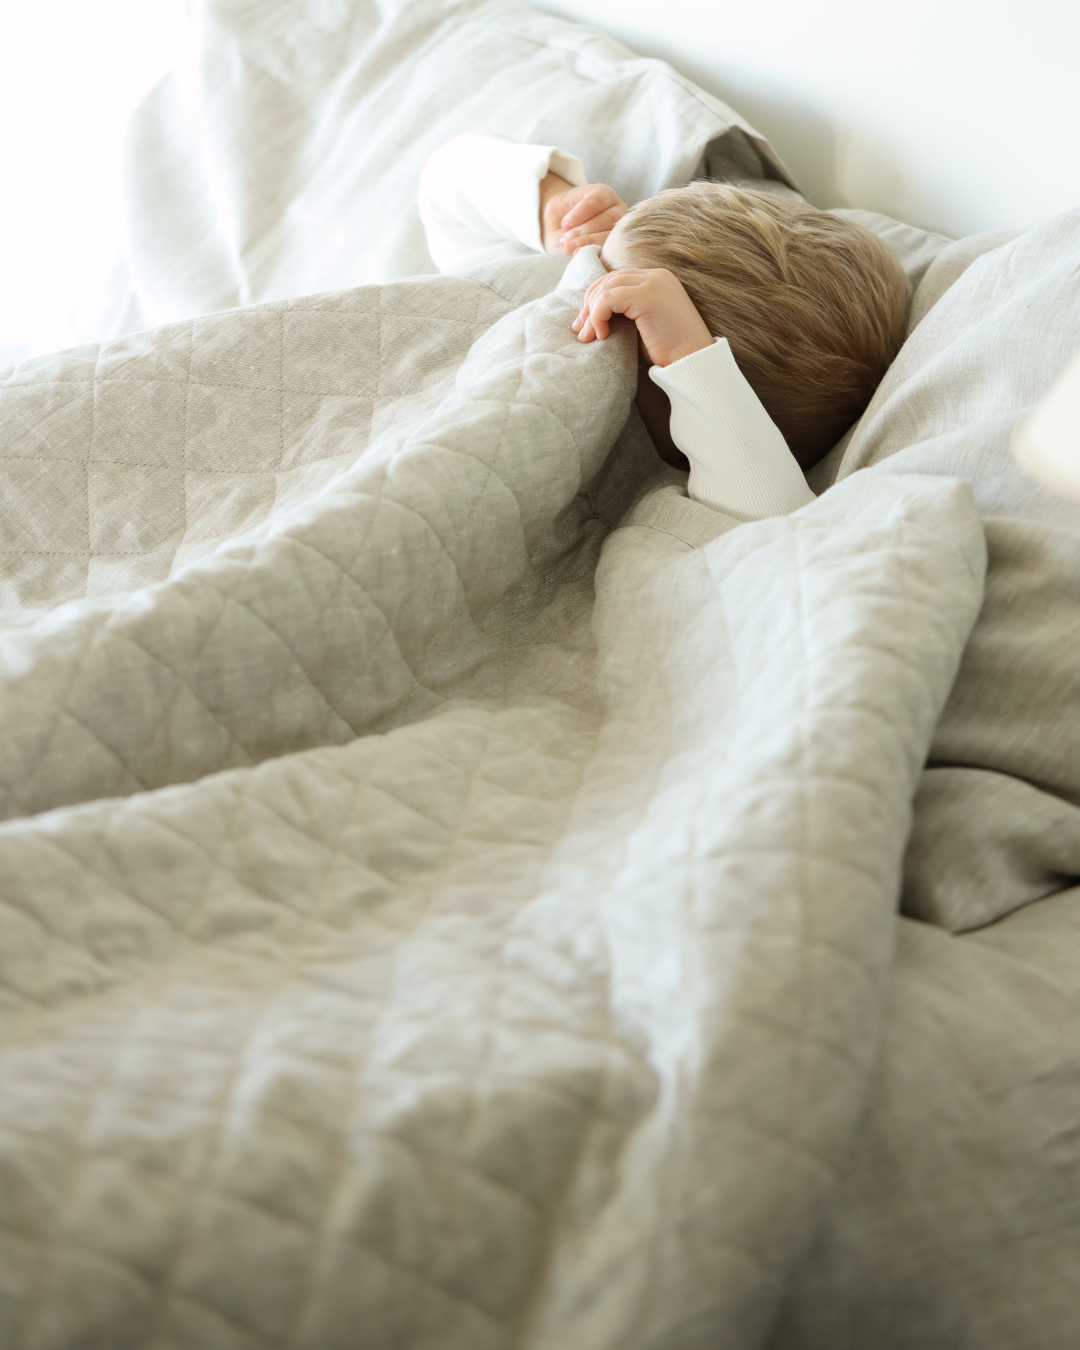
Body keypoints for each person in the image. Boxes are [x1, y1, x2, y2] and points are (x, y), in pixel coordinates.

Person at [418, 134, 911, 520]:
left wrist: (694, 365)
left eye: (606, 302)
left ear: (684, 449)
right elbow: (444, 184)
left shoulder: (696, 478)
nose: (586, 287)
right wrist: (548, 209)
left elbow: (776, 524)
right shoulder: (554, 271)